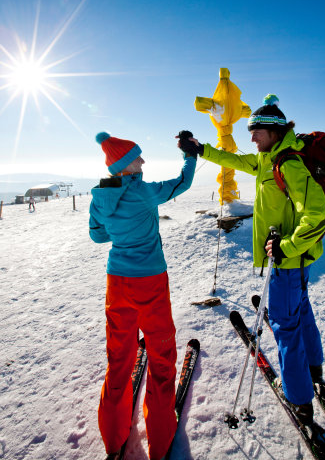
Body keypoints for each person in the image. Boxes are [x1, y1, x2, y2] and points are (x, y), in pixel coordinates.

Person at [182, 94, 325, 427]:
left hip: (288, 262)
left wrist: (287, 247)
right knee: (301, 312)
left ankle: (299, 400)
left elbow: (319, 213)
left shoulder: (288, 164)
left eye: (256, 133)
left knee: (284, 326)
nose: (251, 138)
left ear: (274, 132)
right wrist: (201, 149)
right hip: (295, 262)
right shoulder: (267, 159)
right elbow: (234, 159)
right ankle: (313, 371)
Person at [89, 131, 198, 460]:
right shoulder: (145, 192)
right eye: (138, 157)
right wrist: (190, 156)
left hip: (117, 282)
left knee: (118, 358)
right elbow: (182, 184)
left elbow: (98, 236)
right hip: (150, 281)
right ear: (126, 164)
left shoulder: (100, 196)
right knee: (161, 357)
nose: (144, 161)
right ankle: (160, 440)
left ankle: (113, 437)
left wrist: (123, 231)